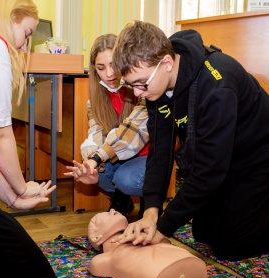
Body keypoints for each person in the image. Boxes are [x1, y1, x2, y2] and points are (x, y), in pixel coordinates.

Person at [110, 20, 269, 261]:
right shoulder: (156, 86)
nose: (138, 93)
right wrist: (151, 211)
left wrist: (163, 229)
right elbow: (159, 153)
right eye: (131, 85)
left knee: (230, 247)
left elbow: (210, 170)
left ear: (166, 63)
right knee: (203, 233)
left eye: (141, 84)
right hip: (224, 159)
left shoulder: (217, 86)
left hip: (257, 160)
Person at [0, 0, 57, 278]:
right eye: (27, 33)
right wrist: (19, 188)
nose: (25, 44)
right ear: (11, 17)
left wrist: (12, 199)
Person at [64, 33, 149, 216]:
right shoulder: (94, 102)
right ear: (94, 69)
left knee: (123, 177)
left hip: (147, 155)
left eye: (113, 65)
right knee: (95, 165)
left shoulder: (141, 89)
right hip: (119, 154)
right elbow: (96, 134)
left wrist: (96, 158)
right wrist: (89, 163)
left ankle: (150, 203)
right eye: (101, 68)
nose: (109, 74)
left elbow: (130, 135)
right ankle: (122, 201)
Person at [88, 209, 208, 278]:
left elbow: (165, 241)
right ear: (95, 237)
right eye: (106, 215)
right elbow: (96, 265)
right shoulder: (106, 259)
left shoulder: (140, 236)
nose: (113, 210)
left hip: (183, 262)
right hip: (163, 272)